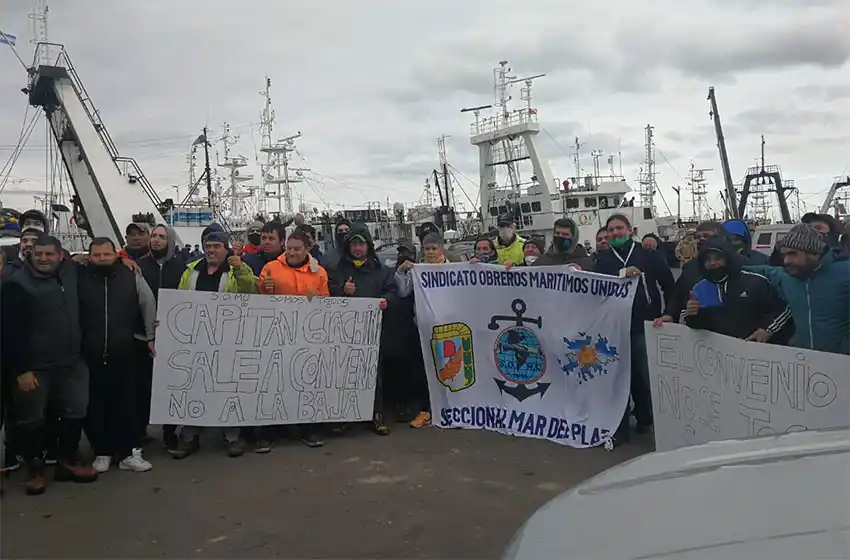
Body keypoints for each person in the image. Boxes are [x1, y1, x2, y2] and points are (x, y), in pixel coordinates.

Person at [1, 236, 98, 495]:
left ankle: (67, 461)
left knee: (76, 409)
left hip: (71, 361)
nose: (43, 259)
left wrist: (125, 260)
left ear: (60, 255)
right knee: (32, 418)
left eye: (49, 254)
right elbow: (9, 333)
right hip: (34, 366)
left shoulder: (70, 273)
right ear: (31, 254)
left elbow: (99, 259)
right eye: (38, 254)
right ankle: (36, 468)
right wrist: (21, 370)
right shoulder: (17, 284)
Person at [169, 230, 258, 459]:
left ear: (226, 249)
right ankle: (189, 437)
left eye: (216, 246)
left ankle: (232, 436)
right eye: (208, 246)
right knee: (195, 386)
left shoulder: (236, 270)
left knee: (228, 387)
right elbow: (179, 300)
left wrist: (240, 268)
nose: (211, 250)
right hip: (196, 339)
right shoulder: (191, 271)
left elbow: (251, 290)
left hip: (228, 339)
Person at [79, 238, 156, 473]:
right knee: (95, 405)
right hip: (89, 352)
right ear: (89, 256)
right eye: (97, 255)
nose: (102, 258)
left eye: (106, 254)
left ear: (115, 254)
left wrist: (151, 337)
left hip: (124, 350)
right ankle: (102, 451)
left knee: (127, 403)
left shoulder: (130, 275)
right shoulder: (78, 277)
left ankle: (129, 453)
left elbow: (148, 303)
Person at [595, 214, 674, 442]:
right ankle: (620, 429)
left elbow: (669, 285)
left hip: (645, 324)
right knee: (619, 377)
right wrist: (622, 274)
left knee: (646, 376)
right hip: (615, 327)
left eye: (620, 228)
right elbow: (595, 283)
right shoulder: (604, 259)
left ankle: (647, 419)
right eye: (611, 230)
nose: (616, 233)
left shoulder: (648, 255)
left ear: (630, 230)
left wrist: (669, 313)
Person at [258, 229, 330, 449]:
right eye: (289, 249)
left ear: (307, 249)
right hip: (276, 335)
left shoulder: (319, 273)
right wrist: (264, 288)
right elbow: (258, 299)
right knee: (273, 382)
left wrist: (318, 298)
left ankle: (310, 428)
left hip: (307, 337)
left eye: (297, 249)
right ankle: (267, 432)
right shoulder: (271, 268)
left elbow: (327, 301)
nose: (292, 253)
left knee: (306, 381)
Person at [329, 226, 397, 434]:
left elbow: (393, 291)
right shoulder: (338, 270)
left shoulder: (381, 271)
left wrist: (387, 301)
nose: (357, 248)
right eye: (353, 244)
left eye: (361, 244)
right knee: (346, 373)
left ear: (368, 246)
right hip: (345, 333)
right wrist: (342, 290)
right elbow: (328, 293)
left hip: (372, 333)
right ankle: (346, 416)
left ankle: (376, 414)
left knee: (374, 375)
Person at [745, 223, 849, 355]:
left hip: (841, 363)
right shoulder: (787, 278)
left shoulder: (844, 274)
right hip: (801, 362)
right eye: (784, 255)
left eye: (793, 254)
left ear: (814, 253)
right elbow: (762, 270)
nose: (786, 261)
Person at [681, 236, 791, 340]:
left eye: (718, 258)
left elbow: (782, 309)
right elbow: (693, 327)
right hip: (718, 354)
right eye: (707, 260)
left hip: (755, 350)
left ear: (728, 259)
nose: (713, 263)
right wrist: (692, 315)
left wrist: (767, 330)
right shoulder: (698, 289)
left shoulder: (755, 281)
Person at [136, 224, 187, 448]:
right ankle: (139, 431)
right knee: (142, 385)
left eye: (161, 237)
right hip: (143, 334)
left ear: (170, 241)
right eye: (154, 236)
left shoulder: (181, 267)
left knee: (170, 384)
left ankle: (169, 431)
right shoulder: (138, 265)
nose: (156, 240)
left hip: (172, 335)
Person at [392, 241, 432, 428]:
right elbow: (402, 292)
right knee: (415, 371)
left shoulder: (438, 267)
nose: (404, 256)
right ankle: (418, 407)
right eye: (401, 253)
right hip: (412, 327)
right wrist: (401, 272)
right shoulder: (404, 272)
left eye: (408, 253)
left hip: (434, 327)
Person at [659, 221, 726, 325]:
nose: (701, 240)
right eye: (698, 237)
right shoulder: (690, 267)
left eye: (706, 236)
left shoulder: (739, 265)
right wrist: (670, 314)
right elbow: (677, 295)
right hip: (697, 331)